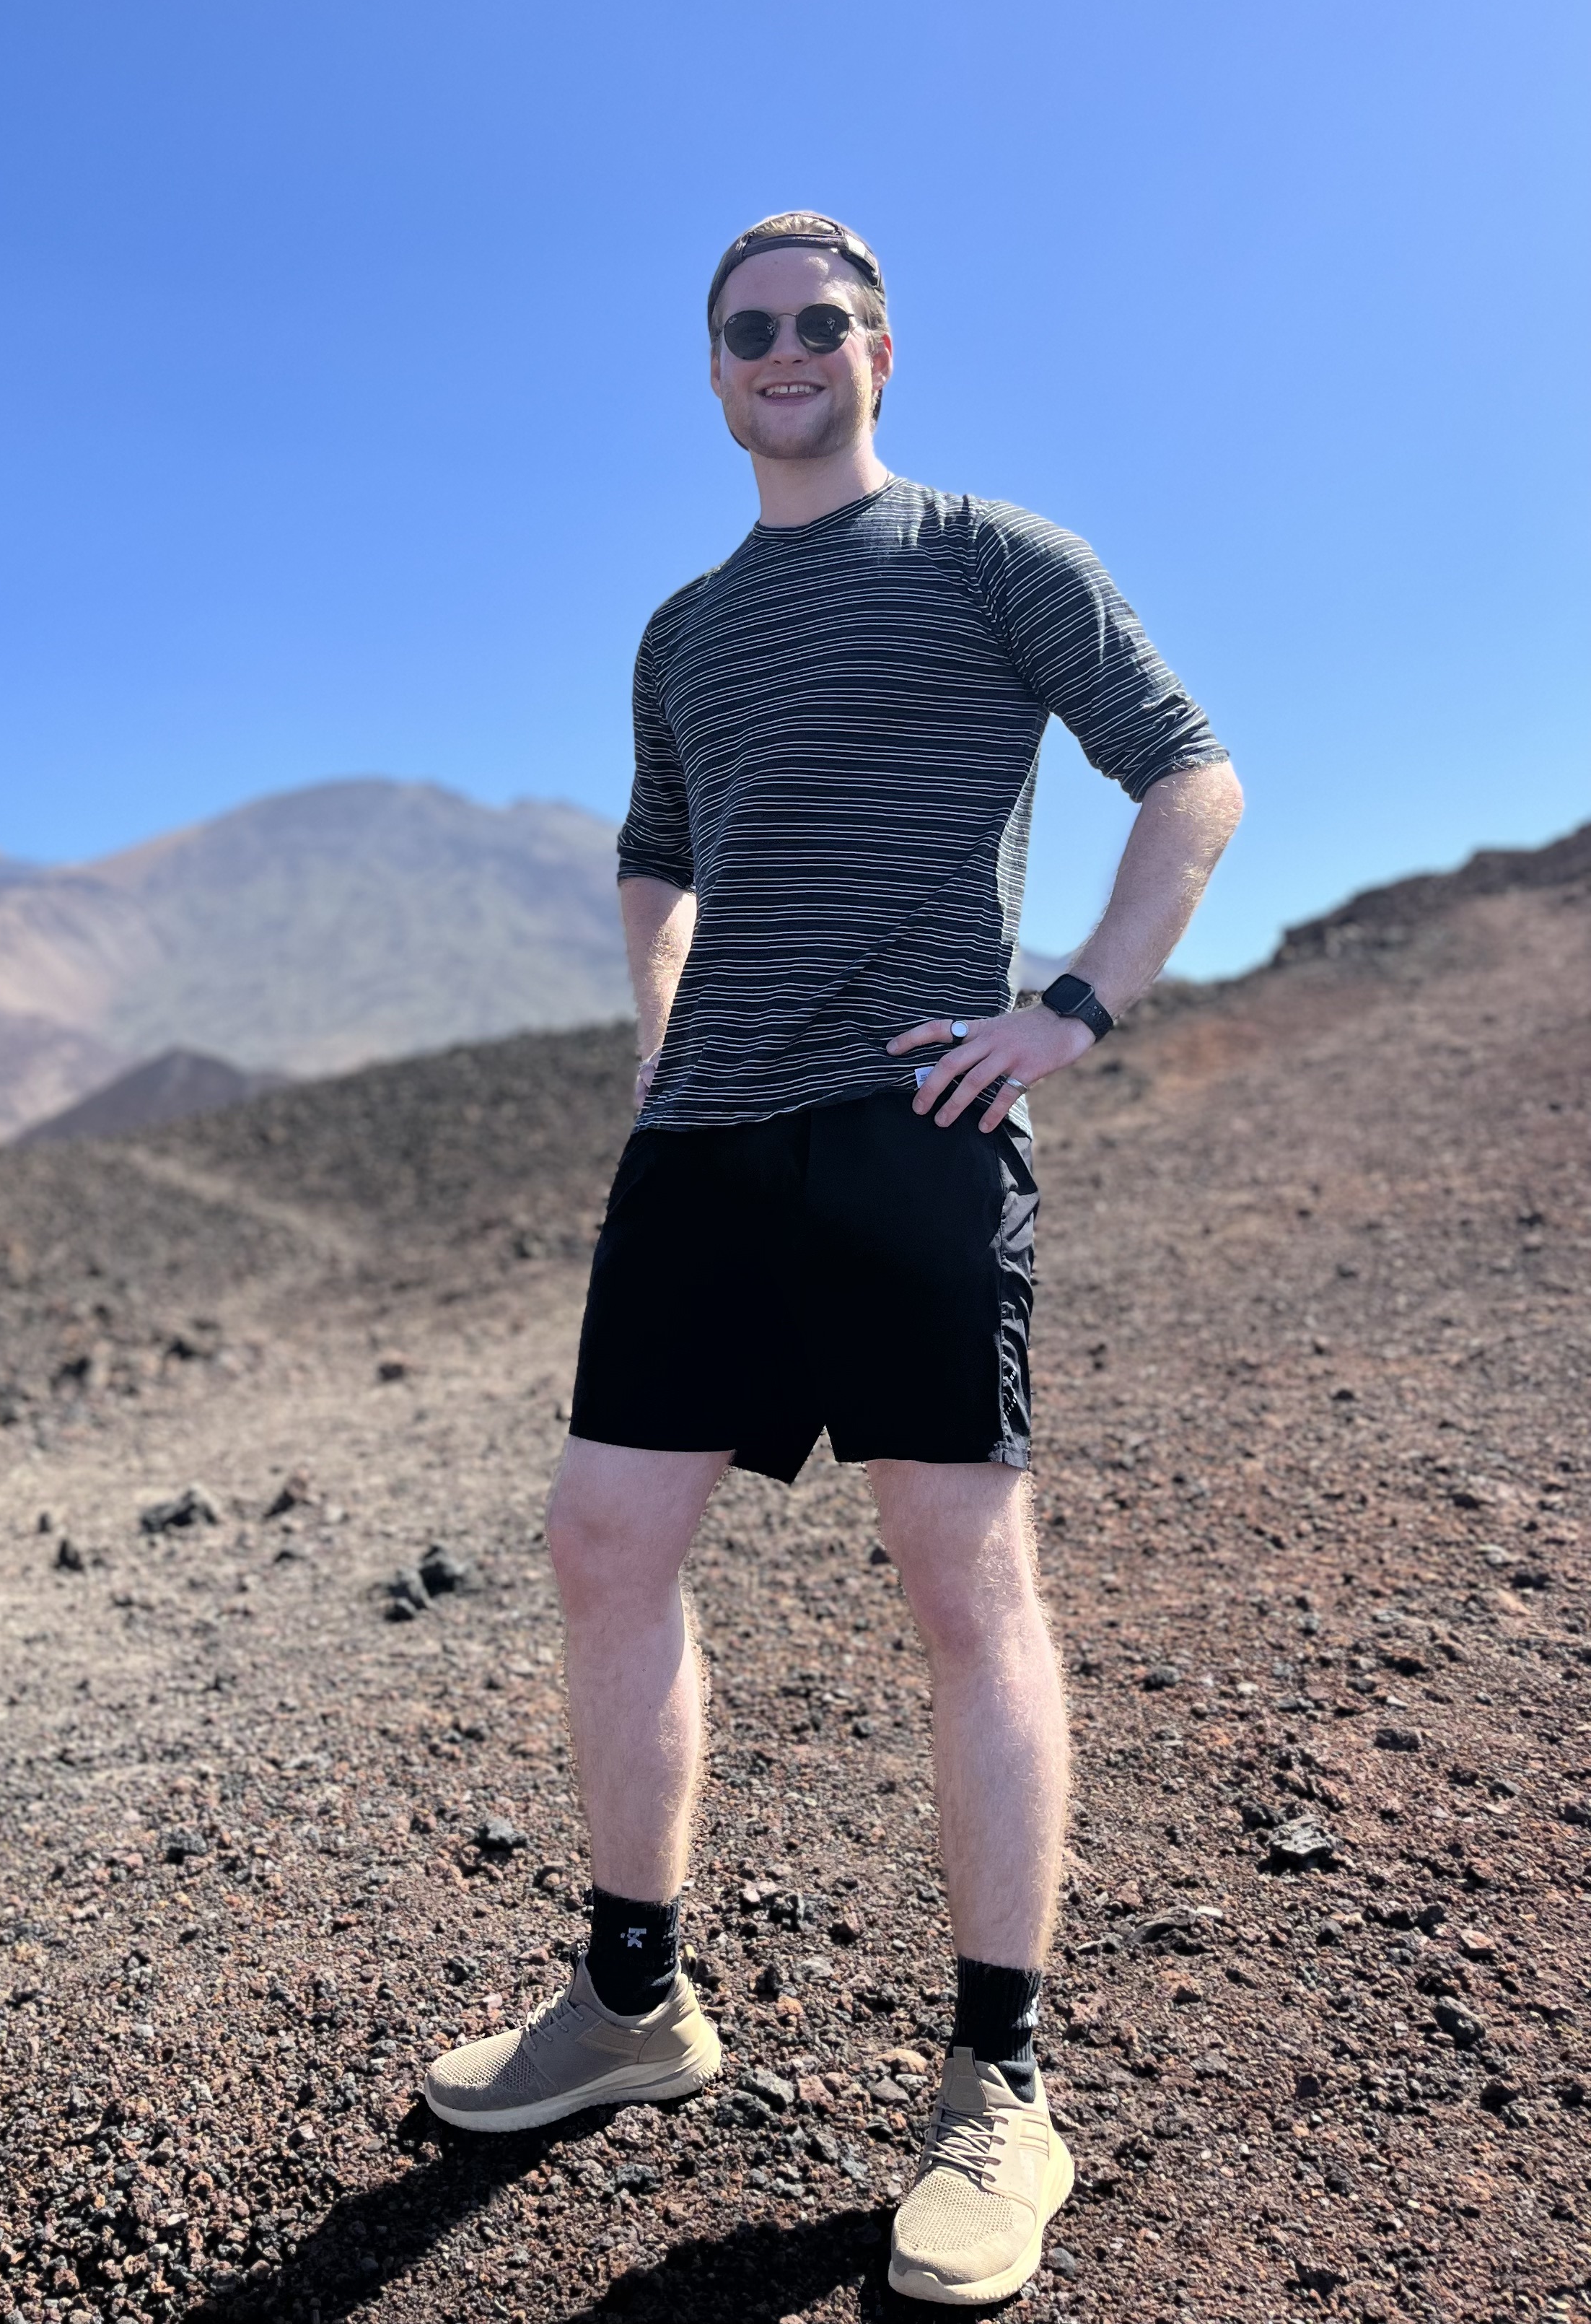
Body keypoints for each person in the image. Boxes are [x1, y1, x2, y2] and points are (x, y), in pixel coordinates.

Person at [423, 211, 1242, 2305]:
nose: (783, 351)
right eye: (746, 331)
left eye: (820, 323)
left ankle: (1001, 2090)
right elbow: (654, 855)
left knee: (963, 1585)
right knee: (603, 1540)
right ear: (713, 373)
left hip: (915, 1127)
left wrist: (1073, 1008)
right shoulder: (685, 631)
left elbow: (1191, 777)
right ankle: (633, 2001)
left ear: (882, 352)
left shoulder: (994, 558)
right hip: (704, 1142)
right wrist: (658, 1032)